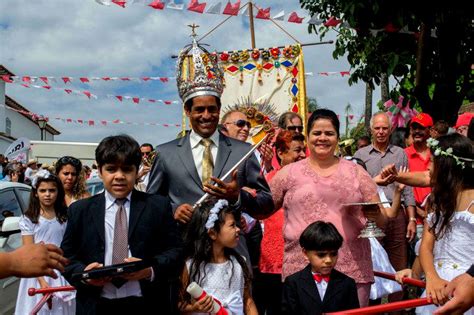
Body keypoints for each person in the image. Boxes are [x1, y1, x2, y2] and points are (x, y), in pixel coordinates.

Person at [270, 109, 398, 307]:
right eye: (317, 133)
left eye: (329, 133)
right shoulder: (288, 173)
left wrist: (374, 215)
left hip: (351, 271)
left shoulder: (357, 172)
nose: (322, 138)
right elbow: (262, 208)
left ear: (337, 137)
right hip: (300, 271)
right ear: (308, 137)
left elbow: (381, 221)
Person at [146, 35, 273, 224]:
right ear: (187, 111)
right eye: (199, 109)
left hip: (231, 248)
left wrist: (237, 196)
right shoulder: (166, 154)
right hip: (183, 248)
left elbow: (267, 205)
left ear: (219, 110)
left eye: (211, 109)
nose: (206, 115)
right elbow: (150, 204)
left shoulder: (243, 152)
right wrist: (173, 210)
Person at [61, 135, 183, 314]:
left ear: (136, 171)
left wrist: (149, 270)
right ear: (100, 171)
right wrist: (85, 274)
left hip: (146, 304)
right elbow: (67, 258)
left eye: (126, 169)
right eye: (111, 169)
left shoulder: (157, 206)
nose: (119, 176)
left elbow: (176, 251)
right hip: (97, 305)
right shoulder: (80, 210)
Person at [354, 112, 417, 291]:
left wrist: (411, 219)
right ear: (371, 130)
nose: (381, 132)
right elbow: (356, 187)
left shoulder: (400, 154)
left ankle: (397, 308)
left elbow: (408, 188)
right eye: (377, 128)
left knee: (400, 264)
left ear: (391, 129)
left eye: (384, 128)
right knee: (373, 263)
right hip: (373, 214)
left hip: (397, 214)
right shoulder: (360, 155)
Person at [417, 133, 473, 314]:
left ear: (447, 166)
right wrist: (432, 277)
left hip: (467, 283)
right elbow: (426, 246)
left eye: (432, 161)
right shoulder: (436, 201)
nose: (428, 167)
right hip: (438, 284)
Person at [254, 131, 306, 315]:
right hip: (273, 260)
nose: (302, 155)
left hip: (304, 258)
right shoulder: (269, 180)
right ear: (281, 153)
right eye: (297, 150)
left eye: (304, 150)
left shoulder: (310, 181)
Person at [178, 199, 257, 315]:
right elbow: (180, 304)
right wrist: (194, 308)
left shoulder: (239, 263)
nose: (238, 229)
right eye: (232, 225)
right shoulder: (191, 267)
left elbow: (247, 300)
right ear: (213, 233)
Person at [15, 170, 75, 315]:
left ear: (58, 192)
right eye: (43, 190)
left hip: (62, 271)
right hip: (37, 273)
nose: (47, 194)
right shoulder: (29, 218)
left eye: (52, 190)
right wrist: (42, 281)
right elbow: (29, 252)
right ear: (36, 193)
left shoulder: (65, 216)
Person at [282, 221, 359, 315]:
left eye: (333, 254)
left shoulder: (347, 283)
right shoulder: (293, 282)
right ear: (305, 253)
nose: (328, 260)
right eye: (321, 255)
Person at [405, 113, 434, 237]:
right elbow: (401, 189)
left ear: (430, 130)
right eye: (414, 128)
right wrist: (420, 213)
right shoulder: (403, 155)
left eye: (421, 128)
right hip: (416, 221)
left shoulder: (438, 153)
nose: (417, 131)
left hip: (440, 217)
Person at [0, 243, 68, 280]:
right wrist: (15, 261)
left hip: (53, 264)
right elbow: (28, 245)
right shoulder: (28, 218)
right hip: (40, 266)